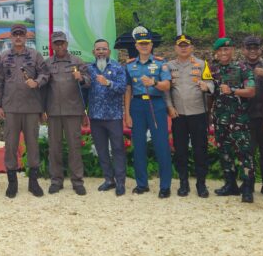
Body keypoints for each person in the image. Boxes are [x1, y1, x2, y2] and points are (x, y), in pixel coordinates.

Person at [0, 24, 49, 198]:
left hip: (31, 108)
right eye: (15, 34)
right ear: (11, 37)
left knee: (32, 144)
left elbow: (46, 74)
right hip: (11, 108)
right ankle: (12, 183)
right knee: (10, 145)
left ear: (26, 37)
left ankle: (33, 182)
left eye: (21, 35)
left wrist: (37, 82)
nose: (18, 37)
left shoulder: (35, 55)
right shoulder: (3, 57)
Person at [124, 30, 173, 198]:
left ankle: (165, 186)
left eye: (147, 44)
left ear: (151, 45)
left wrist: (154, 82)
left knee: (161, 145)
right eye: (141, 44)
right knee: (138, 146)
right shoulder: (130, 65)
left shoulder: (161, 63)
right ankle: (142, 184)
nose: (144, 47)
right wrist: (127, 113)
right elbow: (128, 90)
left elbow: (167, 85)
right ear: (136, 46)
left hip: (156, 104)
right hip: (137, 105)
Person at [166, 34, 214, 198]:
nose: (184, 48)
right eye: (180, 45)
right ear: (175, 48)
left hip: (198, 113)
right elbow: (166, 89)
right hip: (178, 115)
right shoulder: (168, 66)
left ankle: (201, 183)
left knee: (200, 150)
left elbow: (211, 83)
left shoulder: (202, 64)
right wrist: (170, 107)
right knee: (180, 150)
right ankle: (183, 183)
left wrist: (206, 86)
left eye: (187, 45)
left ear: (192, 47)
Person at [210, 38, 256, 203]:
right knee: (224, 153)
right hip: (220, 119)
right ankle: (230, 185)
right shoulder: (212, 70)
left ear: (233, 51)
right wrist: (209, 114)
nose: (224, 53)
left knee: (244, 154)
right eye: (221, 50)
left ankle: (248, 188)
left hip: (239, 120)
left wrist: (233, 90)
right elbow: (210, 93)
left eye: (227, 50)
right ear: (216, 53)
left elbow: (251, 91)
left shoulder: (242, 68)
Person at [44, 31, 90, 195]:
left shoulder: (77, 61)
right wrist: (43, 110)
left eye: (62, 43)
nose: (60, 46)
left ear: (67, 44)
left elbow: (89, 81)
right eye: (56, 43)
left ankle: (77, 181)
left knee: (74, 147)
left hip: (73, 111)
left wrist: (82, 78)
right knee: (54, 148)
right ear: (52, 45)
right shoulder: (47, 63)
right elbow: (43, 88)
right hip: (54, 112)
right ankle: (56, 180)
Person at [86, 38, 128, 196]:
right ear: (93, 52)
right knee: (102, 150)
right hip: (95, 117)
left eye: (104, 49)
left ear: (109, 51)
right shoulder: (89, 68)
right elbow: (84, 89)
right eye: (98, 49)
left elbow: (123, 88)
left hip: (113, 116)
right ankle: (109, 179)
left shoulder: (117, 67)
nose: (101, 52)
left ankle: (121, 182)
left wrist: (108, 83)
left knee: (117, 149)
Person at [240, 35, 263, 199]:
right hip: (245, 116)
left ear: (261, 50)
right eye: (249, 48)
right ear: (244, 50)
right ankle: (248, 183)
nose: (253, 51)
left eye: (256, 48)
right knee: (247, 153)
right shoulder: (238, 67)